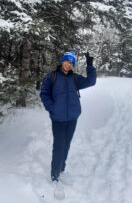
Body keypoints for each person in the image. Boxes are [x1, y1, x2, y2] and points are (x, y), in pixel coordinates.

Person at [40, 51, 96, 199]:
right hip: (58, 119)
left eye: (71, 63)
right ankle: (54, 175)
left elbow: (91, 81)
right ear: (62, 61)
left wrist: (90, 66)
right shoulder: (51, 77)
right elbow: (44, 94)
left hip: (72, 118)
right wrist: (52, 108)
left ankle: (61, 169)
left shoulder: (75, 78)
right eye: (67, 62)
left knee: (66, 145)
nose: (68, 64)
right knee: (58, 146)